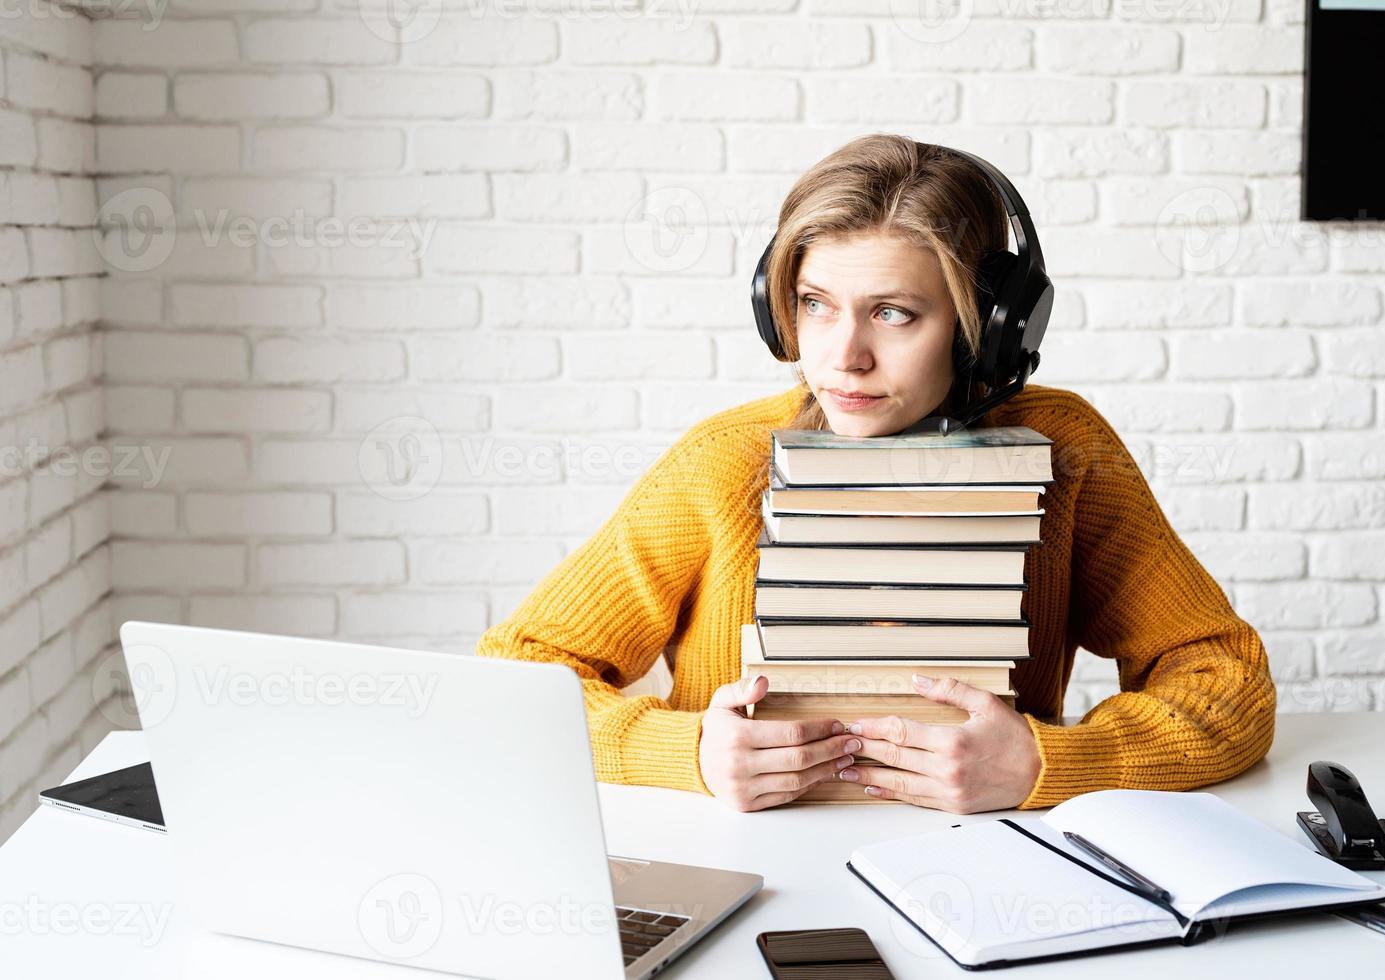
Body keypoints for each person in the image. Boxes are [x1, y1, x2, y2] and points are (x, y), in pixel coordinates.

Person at [475, 133, 1275, 814]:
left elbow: (1225, 678)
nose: (841, 355)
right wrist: (685, 754)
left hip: (984, 870)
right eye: (815, 303)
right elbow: (512, 682)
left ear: (981, 330)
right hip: (751, 866)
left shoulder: (1061, 450)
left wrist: (1048, 764)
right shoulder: (724, 463)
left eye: (893, 313)